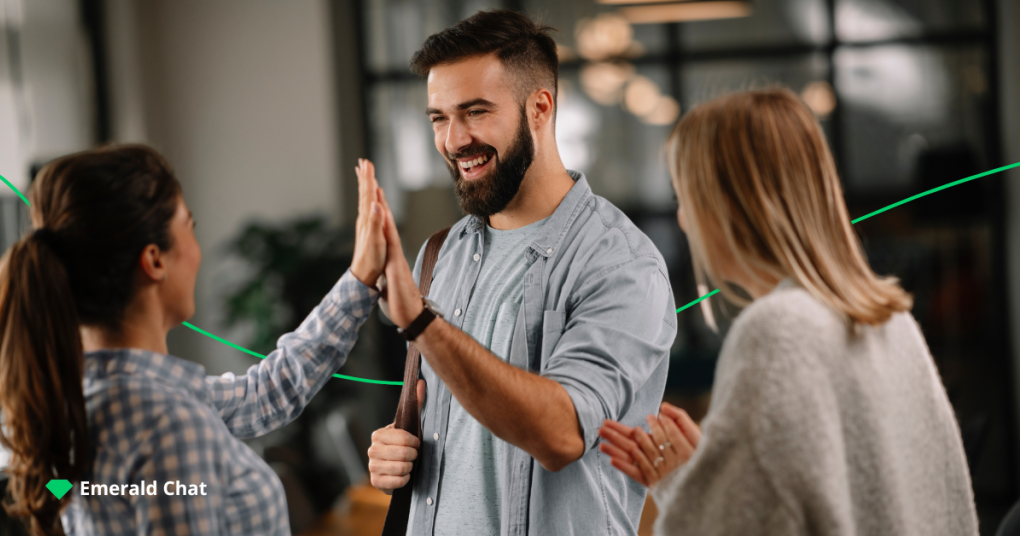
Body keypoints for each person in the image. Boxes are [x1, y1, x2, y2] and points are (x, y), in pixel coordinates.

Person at [598, 89, 979, 535]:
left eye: (686, 199)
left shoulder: (778, 330)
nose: (684, 221)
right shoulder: (892, 322)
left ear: (728, 206)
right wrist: (713, 476)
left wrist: (680, 484)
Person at [363, 10, 677, 536]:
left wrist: (421, 322)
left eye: (476, 111)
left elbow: (562, 435)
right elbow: (455, 432)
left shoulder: (621, 264)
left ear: (540, 107)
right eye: (439, 118)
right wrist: (394, 449)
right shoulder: (442, 254)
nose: (454, 139)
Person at [0, 144, 391, 536]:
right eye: (189, 226)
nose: (196, 247)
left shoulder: (84, 397)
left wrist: (360, 277)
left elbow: (265, 392)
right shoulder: (167, 422)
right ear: (154, 261)